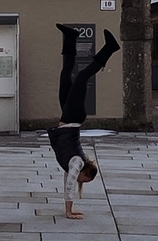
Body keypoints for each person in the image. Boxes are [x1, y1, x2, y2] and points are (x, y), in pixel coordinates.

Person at [47, 23, 120, 219]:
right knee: (81, 76)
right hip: (73, 117)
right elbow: (71, 182)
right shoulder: (77, 163)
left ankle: (70, 37)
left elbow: (68, 182)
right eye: (85, 181)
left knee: (65, 76)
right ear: (85, 173)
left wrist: (67, 209)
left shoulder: (71, 165)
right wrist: (69, 211)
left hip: (67, 117)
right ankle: (110, 48)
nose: (81, 181)